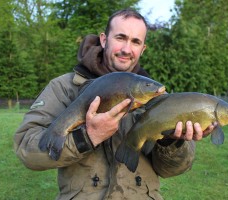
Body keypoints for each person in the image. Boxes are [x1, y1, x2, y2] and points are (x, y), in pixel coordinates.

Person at [14, 8, 216, 200]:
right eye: (120, 38)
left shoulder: (156, 96)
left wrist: (171, 141)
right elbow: (27, 151)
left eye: (136, 42)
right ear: (104, 39)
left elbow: (173, 170)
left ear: (143, 49)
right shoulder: (64, 88)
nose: (127, 49)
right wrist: (86, 137)